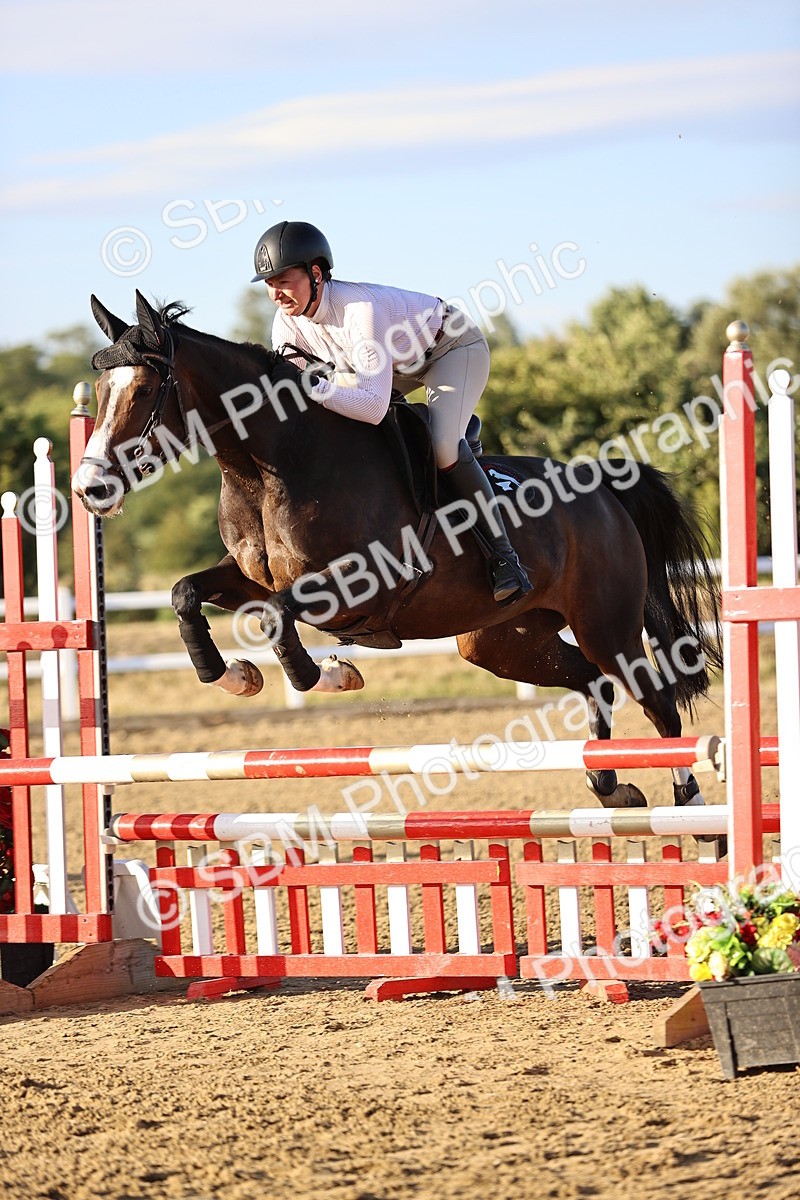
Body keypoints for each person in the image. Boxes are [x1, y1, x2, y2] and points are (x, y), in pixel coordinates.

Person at [250, 220, 532, 605]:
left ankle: (505, 557)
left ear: (316, 274)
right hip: (395, 367)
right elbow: (304, 401)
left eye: (284, 281)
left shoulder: (360, 311)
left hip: (451, 350)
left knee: (443, 447)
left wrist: (313, 388)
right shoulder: (286, 324)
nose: (276, 294)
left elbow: (370, 405)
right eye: (269, 284)